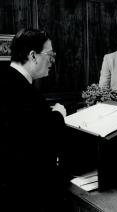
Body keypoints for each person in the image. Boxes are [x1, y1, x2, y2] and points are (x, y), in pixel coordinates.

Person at [0, 28, 68, 211]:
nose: (52, 60)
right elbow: (43, 140)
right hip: (24, 194)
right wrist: (59, 115)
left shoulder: (6, 79)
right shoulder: (25, 93)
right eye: (50, 54)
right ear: (33, 56)